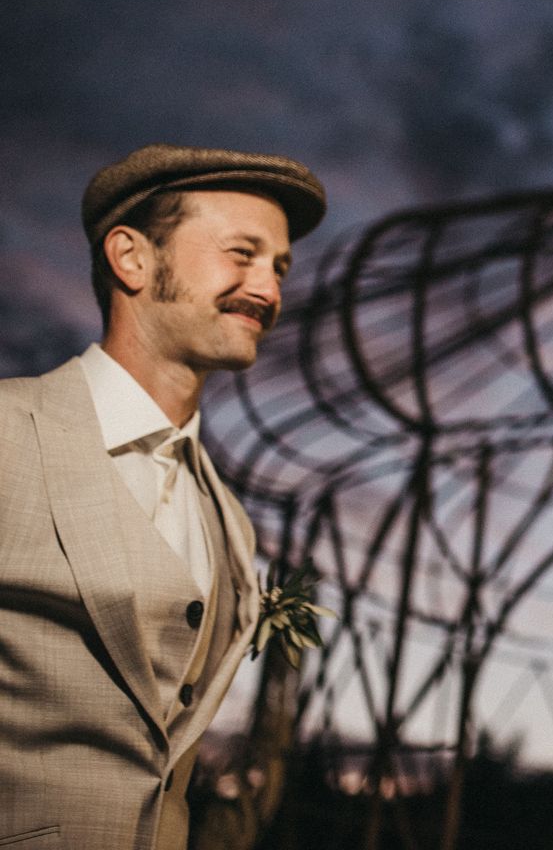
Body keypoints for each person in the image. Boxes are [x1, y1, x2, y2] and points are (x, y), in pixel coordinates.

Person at [0, 145, 326, 850]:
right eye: (242, 254)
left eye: (279, 267)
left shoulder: (230, 523)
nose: (267, 290)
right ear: (132, 259)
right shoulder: (8, 435)